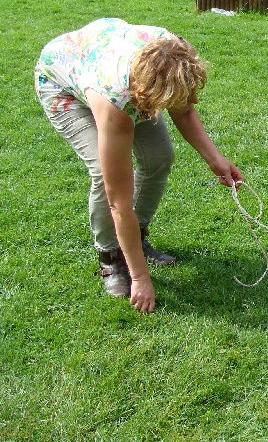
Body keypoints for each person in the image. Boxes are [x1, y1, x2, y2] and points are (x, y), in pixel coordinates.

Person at [34, 18, 242, 313]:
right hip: (64, 85)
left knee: (159, 157)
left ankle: (137, 239)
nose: (194, 99)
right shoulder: (115, 103)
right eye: (184, 95)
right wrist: (140, 277)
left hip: (123, 73)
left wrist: (215, 160)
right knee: (102, 174)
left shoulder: (173, 53)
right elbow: (118, 201)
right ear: (152, 97)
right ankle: (111, 259)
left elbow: (185, 111)